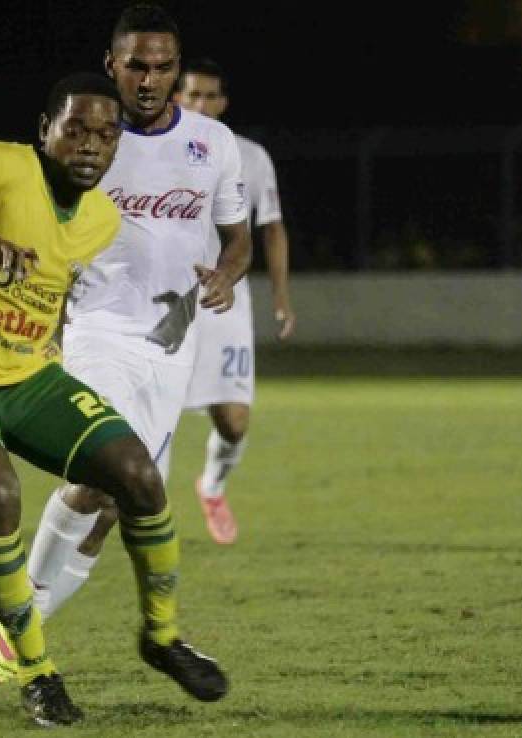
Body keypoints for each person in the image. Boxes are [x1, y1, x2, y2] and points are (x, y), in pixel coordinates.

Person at [0, 70, 227, 727]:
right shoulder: (1, 164)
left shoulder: (100, 219)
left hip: (28, 379)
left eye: (107, 134)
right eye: (76, 129)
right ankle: (35, 670)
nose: (92, 144)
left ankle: (161, 636)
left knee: (137, 475)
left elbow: (65, 290)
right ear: (45, 132)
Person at [0, 2, 251, 681]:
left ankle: (15, 637)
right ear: (113, 65)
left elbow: (237, 232)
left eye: (163, 67)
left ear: (178, 70)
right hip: (96, 332)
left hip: (172, 349)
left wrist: (225, 274)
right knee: (96, 479)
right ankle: (14, 639)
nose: (150, 79)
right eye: (137, 66)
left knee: (114, 507)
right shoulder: (88, 138)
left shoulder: (214, 144)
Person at [173, 57, 296, 544]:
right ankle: (130, 509)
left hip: (226, 300)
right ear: (177, 97)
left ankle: (212, 486)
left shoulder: (250, 156)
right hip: (163, 301)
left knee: (234, 420)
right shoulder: (155, 151)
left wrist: (281, 296)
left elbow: (272, 229)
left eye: (209, 96)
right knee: (147, 416)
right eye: (191, 94)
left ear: (223, 103)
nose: (200, 104)